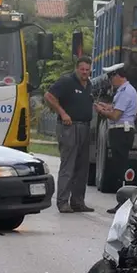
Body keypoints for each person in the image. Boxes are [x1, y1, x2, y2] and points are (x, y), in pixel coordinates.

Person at [44, 56, 95, 213]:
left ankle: (78, 201)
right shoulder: (67, 81)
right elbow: (49, 96)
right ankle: (62, 202)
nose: (85, 72)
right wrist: (62, 113)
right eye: (82, 69)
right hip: (69, 127)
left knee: (82, 167)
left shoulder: (89, 85)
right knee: (68, 165)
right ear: (76, 69)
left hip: (84, 127)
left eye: (87, 69)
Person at [94, 64, 137, 214]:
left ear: (119, 76)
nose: (110, 80)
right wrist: (107, 106)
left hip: (121, 132)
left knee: (120, 168)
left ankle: (124, 203)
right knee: (119, 166)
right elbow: (116, 109)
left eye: (111, 77)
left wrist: (101, 111)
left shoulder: (126, 92)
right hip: (120, 131)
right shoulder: (123, 91)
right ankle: (122, 202)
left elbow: (115, 116)